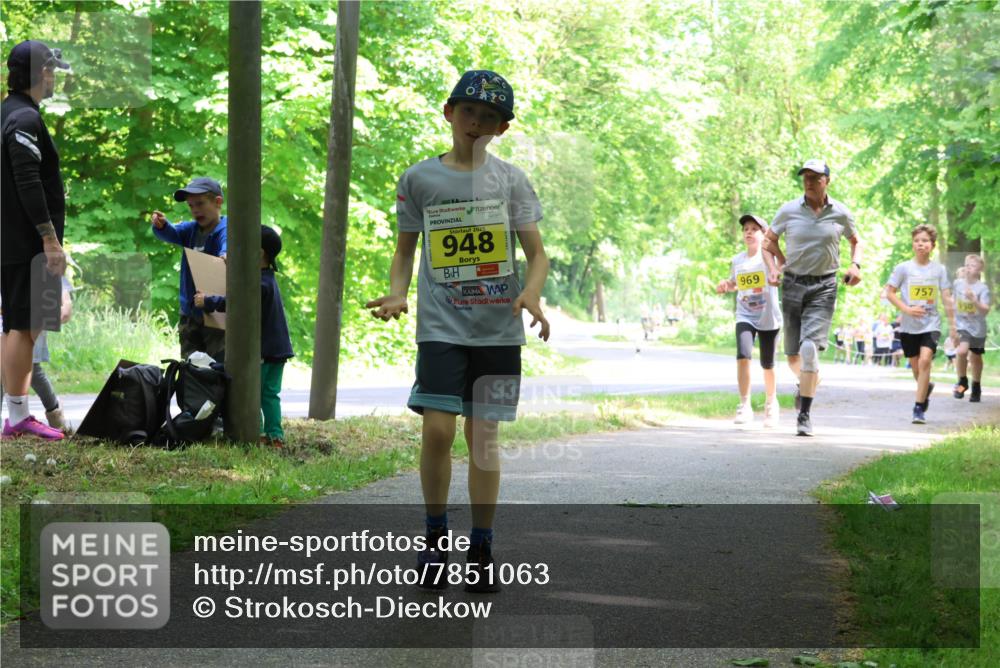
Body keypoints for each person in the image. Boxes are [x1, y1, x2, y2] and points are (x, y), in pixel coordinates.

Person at [365, 69, 550, 593]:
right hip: (442, 327)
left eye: (488, 117)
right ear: (449, 113)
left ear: (502, 128)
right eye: (468, 111)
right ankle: (433, 537)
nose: (476, 123)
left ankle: (483, 545)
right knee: (439, 431)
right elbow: (405, 252)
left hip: (497, 331)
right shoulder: (420, 179)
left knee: (483, 441)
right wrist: (398, 292)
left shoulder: (510, 180)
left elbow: (536, 254)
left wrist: (530, 293)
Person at [1, 41, 72, 442]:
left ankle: (17, 416)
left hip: (12, 242)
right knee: (25, 327)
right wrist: (49, 239)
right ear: (40, 73)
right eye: (52, 70)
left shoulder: (7, 114)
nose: (55, 77)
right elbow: (28, 181)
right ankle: (17, 418)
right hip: (26, 244)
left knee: (19, 325)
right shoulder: (24, 119)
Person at [763, 159, 862, 436]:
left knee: (808, 350)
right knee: (795, 357)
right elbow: (768, 242)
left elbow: (857, 241)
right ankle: (809, 378)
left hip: (824, 286)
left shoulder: (840, 212)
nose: (809, 181)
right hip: (793, 285)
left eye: (815, 177)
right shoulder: (789, 210)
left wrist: (856, 265)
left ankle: (804, 415)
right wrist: (776, 266)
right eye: (805, 176)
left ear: (826, 181)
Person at [195, 226, 293, 447]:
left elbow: (238, 301)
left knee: (254, 393)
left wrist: (208, 301)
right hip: (277, 349)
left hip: (265, 351)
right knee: (269, 394)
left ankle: (255, 433)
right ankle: (274, 435)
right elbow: (244, 282)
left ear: (258, 253)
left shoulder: (259, 284)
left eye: (242, 249)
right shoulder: (266, 277)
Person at [715, 214, 783, 427]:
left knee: (767, 364)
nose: (749, 232)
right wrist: (727, 285)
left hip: (768, 316)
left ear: (763, 234)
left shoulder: (768, 257)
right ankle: (744, 405)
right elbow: (736, 284)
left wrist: (776, 275)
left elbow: (781, 270)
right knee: (743, 355)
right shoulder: (738, 260)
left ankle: (771, 404)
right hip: (745, 314)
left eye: (754, 228)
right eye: (746, 229)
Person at [150, 177, 228, 362]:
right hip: (190, 313)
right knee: (190, 363)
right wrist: (161, 226)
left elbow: (227, 244)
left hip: (215, 311)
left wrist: (225, 254)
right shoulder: (190, 230)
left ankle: (216, 391)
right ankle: (191, 390)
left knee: (217, 365)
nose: (195, 210)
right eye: (191, 205)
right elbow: (172, 233)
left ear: (218, 202)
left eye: (200, 203)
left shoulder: (225, 229)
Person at [885, 224, 956, 423]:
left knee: (925, 361)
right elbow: (889, 292)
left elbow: (947, 297)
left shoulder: (939, 270)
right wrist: (906, 309)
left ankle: (918, 408)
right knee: (916, 368)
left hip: (931, 323)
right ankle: (925, 389)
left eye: (924, 241)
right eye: (917, 241)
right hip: (908, 326)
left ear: (932, 245)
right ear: (913, 244)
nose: (920, 244)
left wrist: (953, 326)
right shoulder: (904, 268)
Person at [952, 254, 991, 402]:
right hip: (962, 325)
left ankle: (976, 386)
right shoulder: (958, 284)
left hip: (978, 327)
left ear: (980, 270)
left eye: (972, 266)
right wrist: (953, 324)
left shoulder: (982, 288)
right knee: (961, 351)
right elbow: (954, 302)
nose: (968, 268)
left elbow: (985, 310)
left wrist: (974, 300)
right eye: (967, 265)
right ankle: (962, 382)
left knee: (975, 357)